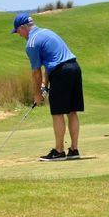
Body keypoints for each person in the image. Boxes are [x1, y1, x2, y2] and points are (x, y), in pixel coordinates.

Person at [12, 13, 84, 161]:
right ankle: (74, 149)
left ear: (22, 27)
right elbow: (50, 62)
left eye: (18, 31)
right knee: (72, 111)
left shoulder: (31, 43)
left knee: (57, 113)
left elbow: (36, 72)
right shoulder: (48, 32)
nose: (19, 35)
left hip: (61, 73)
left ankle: (59, 151)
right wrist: (45, 84)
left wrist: (37, 94)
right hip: (74, 68)